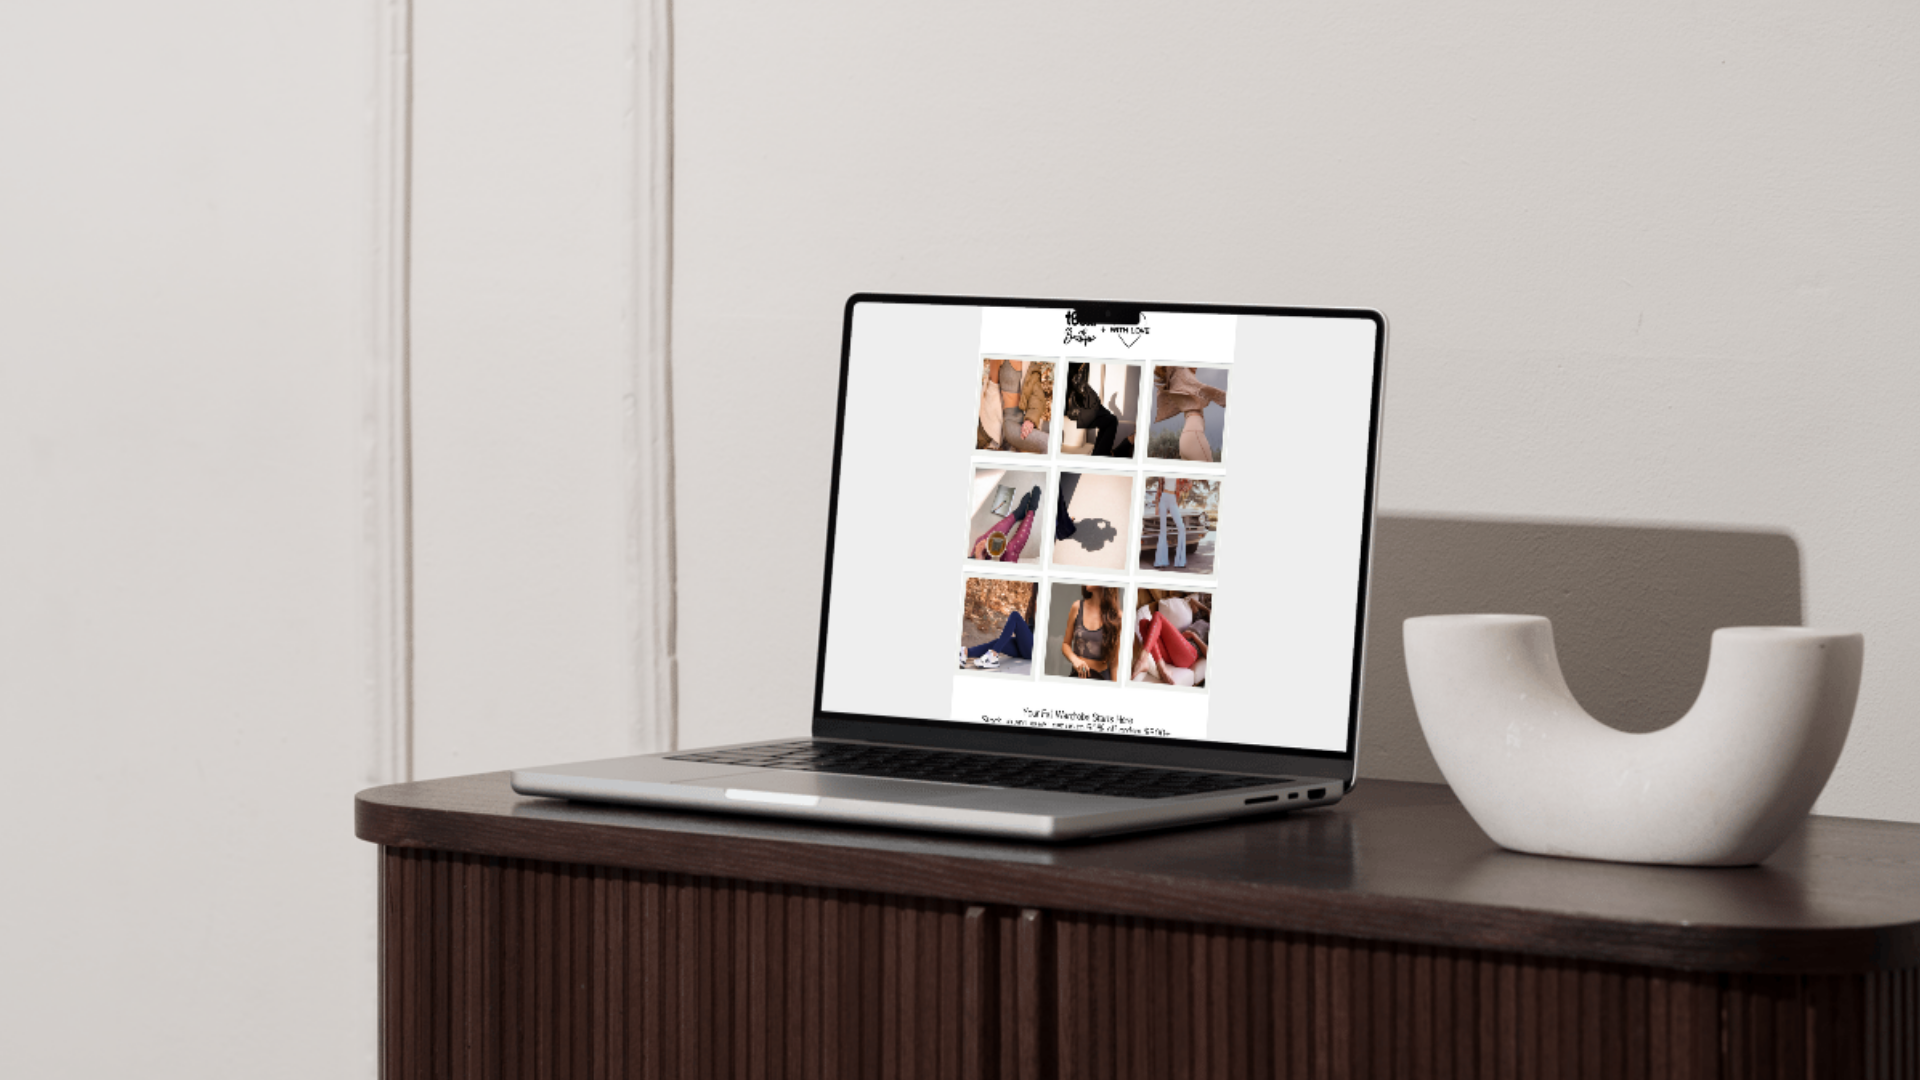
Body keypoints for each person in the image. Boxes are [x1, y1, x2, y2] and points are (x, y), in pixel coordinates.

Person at [1153, 366, 1227, 462]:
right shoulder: (1183, 372)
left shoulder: (1177, 376)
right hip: (1194, 436)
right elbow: (1204, 389)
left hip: (1187, 438)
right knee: (1208, 475)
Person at [985, 357, 1051, 453]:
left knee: (1059, 434)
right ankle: (1009, 442)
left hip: (1027, 417)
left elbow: (1037, 396)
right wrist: (996, 430)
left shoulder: (1030, 362)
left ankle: (1019, 444)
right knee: (1047, 442)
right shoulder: (999, 356)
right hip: (1011, 422)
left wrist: (1030, 420)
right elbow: (992, 390)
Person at [1059, 584, 1119, 681]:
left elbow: (1114, 664)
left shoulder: (1117, 617)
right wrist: (1075, 660)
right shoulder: (1077, 607)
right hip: (1077, 676)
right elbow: (1065, 644)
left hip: (1102, 678)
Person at [961, 602, 1033, 670]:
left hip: (1033, 649)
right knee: (999, 643)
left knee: (1015, 616)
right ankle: (965, 652)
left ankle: (993, 657)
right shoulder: (1033, 606)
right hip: (1025, 647)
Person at [1151, 477, 1191, 568]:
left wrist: (1182, 490)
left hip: (1173, 499)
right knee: (1163, 530)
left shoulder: (1179, 473)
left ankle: (1180, 561)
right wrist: (1157, 505)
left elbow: (1189, 482)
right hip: (1163, 498)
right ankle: (1160, 561)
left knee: (1181, 527)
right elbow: (1159, 488)